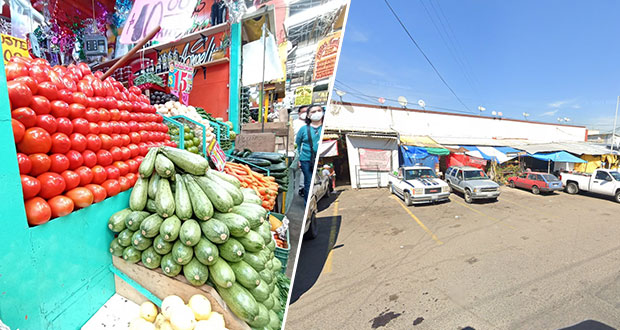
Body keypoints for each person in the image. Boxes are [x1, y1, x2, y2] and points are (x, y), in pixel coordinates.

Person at [295, 105, 324, 202]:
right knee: (308, 182)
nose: (317, 113)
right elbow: (297, 145)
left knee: (315, 181)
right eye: (313, 111)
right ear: (308, 115)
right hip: (306, 159)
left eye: (319, 110)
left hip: (319, 159)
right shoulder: (303, 129)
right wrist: (298, 159)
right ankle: (308, 203)